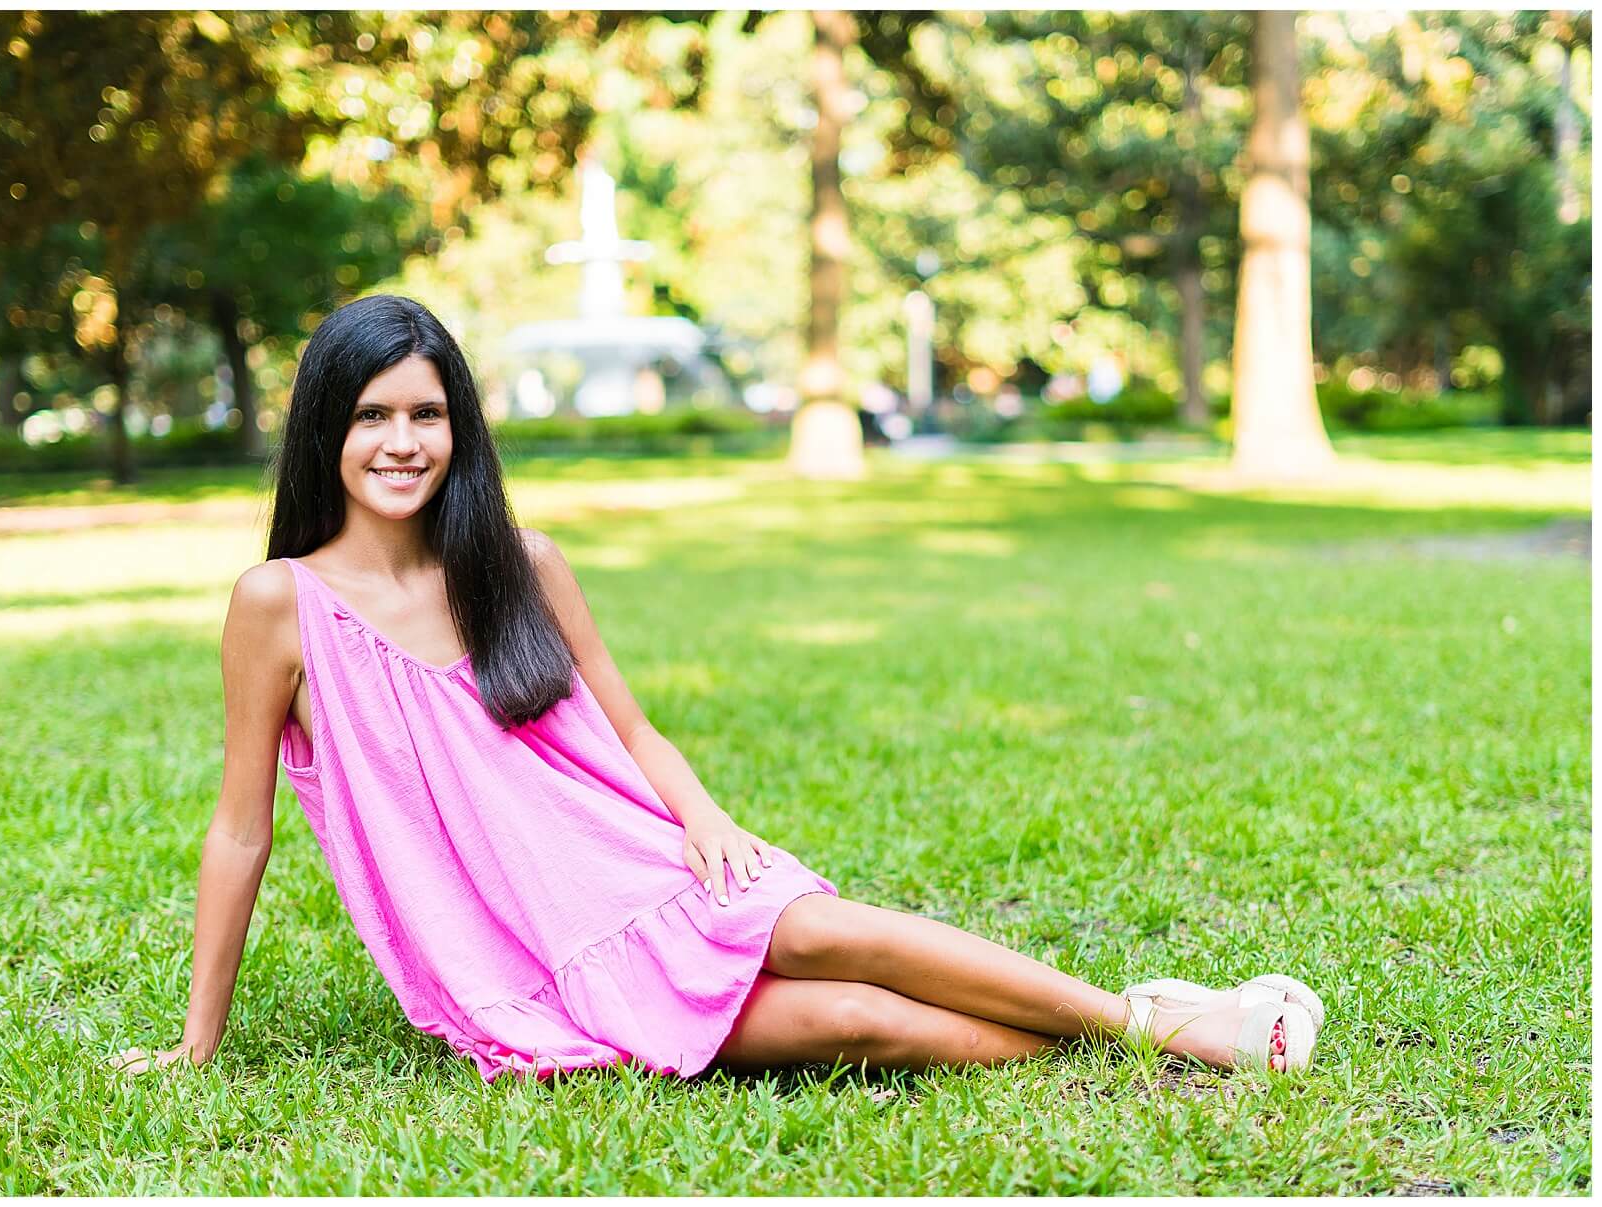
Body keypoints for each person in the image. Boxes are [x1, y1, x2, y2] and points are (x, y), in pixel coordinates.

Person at [109, 295, 1323, 1084]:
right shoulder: (279, 603)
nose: (402, 440)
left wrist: (705, 824)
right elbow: (239, 828)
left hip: (646, 866)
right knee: (860, 1021)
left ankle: (1155, 1025)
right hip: (532, 950)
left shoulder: (520, 566)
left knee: (830, 930)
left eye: (427, 412)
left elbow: (628, 725)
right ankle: (1150, 1051)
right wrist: (196, 1041)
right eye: (372, 413)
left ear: (460, 427)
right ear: (326, 426)